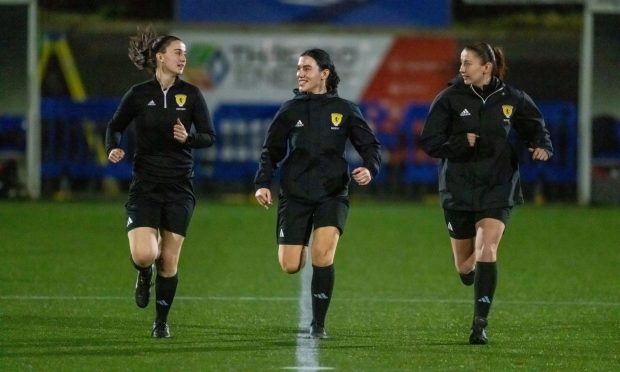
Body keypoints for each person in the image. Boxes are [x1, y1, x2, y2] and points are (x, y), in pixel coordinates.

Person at [420, 42, 553, 345]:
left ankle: (480, 323)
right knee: (465, 265)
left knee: (488, 250)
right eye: (461, 63)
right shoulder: (449, 98)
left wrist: (542, 145)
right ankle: (471, 275)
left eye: (468, 63)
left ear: (487, 67)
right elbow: (429, 142)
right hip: (458, 188)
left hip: (499, 186)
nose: (461, 69)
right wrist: (458, 142)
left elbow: (535, 126)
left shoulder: (513, 98)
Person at [254, 48, 381, 339]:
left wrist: (370, 168)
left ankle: (318, 324)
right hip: (295, 194)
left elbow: (370, 147)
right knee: (290, 265)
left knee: (323, 255)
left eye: (307, 68)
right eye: (298, 68)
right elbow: (270, 151)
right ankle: (303, 239)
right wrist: (262, 182)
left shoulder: (346, 109)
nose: (300, 73)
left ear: (324, 74)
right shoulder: (290, 109)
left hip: (332, 193)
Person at [105, 26, 216, 338]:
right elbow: (115, 125)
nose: (183, 57)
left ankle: (161, 322)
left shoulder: (192, 95)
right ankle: (143, 274)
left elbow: (209, 137)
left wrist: (189, 138)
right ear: (160, 57)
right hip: (146, 185)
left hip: (180, 187)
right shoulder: (139, 94)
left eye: (185, 53)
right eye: (178, 52)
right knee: (145, 255)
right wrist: (112, 146)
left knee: (168, 261)